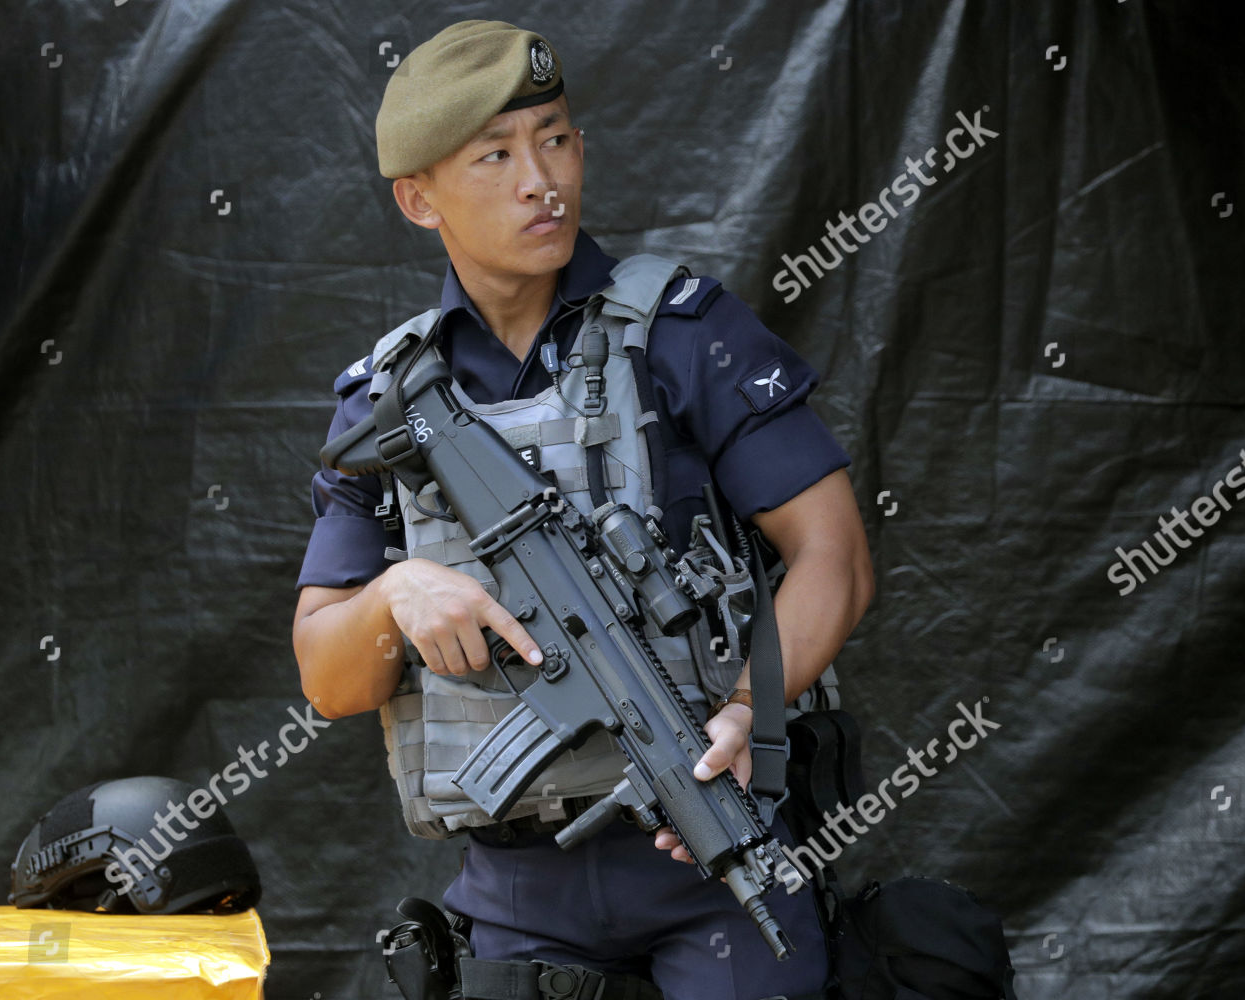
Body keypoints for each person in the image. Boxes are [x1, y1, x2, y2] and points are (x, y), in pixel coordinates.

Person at [291, 20, 873, 1000]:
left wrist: (746, 708)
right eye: (496, 155)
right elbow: (329, 677)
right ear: (416, 197)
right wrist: (398, 592)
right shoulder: (387, 398)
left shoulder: (684, 334)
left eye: (556, 137)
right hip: (516, 894)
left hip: (709, 871)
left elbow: (834, 556)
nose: (541, 178)